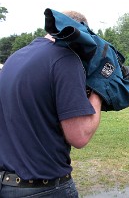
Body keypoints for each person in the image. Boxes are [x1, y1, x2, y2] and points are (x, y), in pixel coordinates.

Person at [0, 11, 102, 197]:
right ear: (80, 32)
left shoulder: (14, 59)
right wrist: (99, 91)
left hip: (6, 184)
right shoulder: (66, 58)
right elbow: (79, 136)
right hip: (45, 188)